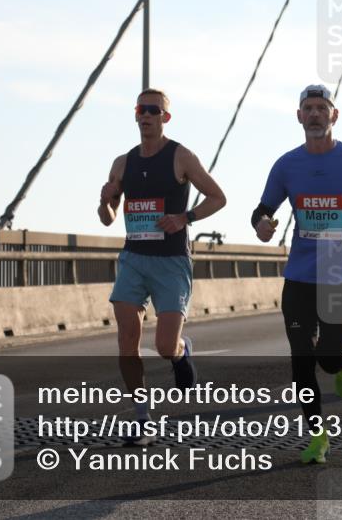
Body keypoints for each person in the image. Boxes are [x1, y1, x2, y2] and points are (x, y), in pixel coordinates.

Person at [252, 84, 342, 465]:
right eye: (308, 108)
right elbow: (261, 209)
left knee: (327, 360)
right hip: (299, 275)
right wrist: (262, 224)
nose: (314, 114)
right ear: (299, 116)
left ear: (334, 115)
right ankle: (318, 436)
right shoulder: (286, 165)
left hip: (341, 274)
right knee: (300, 360)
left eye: (321, 108)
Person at [98, 88, 227, 445]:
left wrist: (184, 217)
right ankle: (142, 421)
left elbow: (218, 197)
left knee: (165, 343)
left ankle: (181, 351)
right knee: (127, 339)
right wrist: (105, 201)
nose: (146, 115)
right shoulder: (123, 163)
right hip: (133, 260)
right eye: (141, 109)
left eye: (154, 110)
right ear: (136, 114)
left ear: (165, 117)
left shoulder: (181, 156)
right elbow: (108, 218)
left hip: (171, 262)